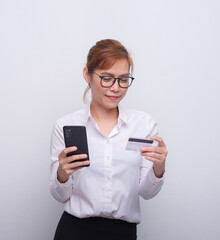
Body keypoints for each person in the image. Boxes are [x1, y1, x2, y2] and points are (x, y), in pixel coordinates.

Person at [49, 39, 168, 240]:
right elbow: (60, 195)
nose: (116, 88)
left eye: (123, 79)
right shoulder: (65, 125)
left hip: (123, 233)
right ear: (87, 74)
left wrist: (159, 168)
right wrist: (61, 174)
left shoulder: (144, 124)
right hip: (74, 231)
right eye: (106, 78)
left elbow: (146, 192)